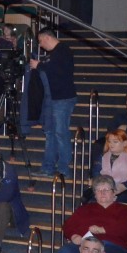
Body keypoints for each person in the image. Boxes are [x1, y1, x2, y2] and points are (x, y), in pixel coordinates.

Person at [56, 174, 127, 253]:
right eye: (98, 190)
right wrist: (73, 235)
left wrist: (103, 229)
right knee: (65, 252)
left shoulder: (125, 210)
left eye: (106, 190)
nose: (102, 193)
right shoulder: (84, 209)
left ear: (114, 193)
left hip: (110, 246)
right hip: (84, 245)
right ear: (95, 195)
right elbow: (68, 225)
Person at [30, 28, 77, 177]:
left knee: (60, 133)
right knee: (50, 132)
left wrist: (39, 65)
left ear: (47, 38)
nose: (40, 45)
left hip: (62, 98)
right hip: (52, 98)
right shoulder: (53, 54)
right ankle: (48, 167)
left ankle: (63, 168)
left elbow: (58, 70)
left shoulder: (63, 50)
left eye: (41, 41)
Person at [92, 129, 127, 208]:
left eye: (115, 142)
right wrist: (104, 187)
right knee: (92, 202)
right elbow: (96, 172)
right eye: (109, 141)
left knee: (118, 203)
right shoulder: (102, 156)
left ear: (125, 143)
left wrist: (123, 186)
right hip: (104, 189)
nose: (111, 144)